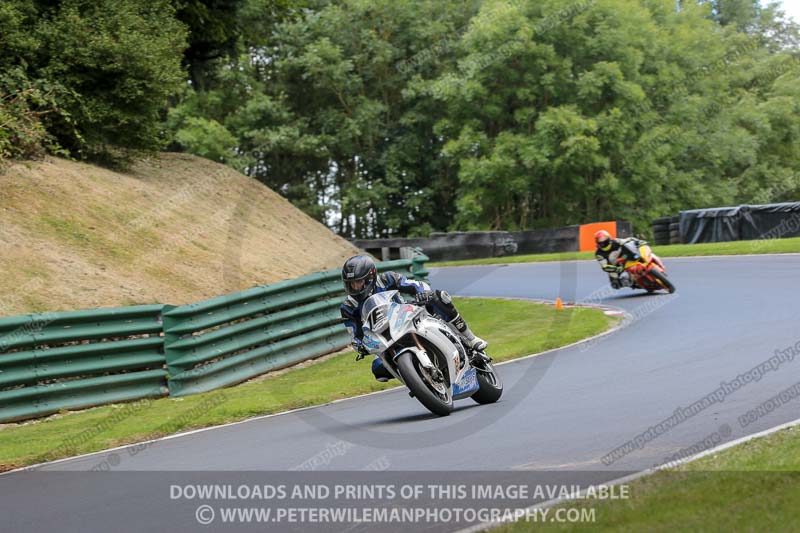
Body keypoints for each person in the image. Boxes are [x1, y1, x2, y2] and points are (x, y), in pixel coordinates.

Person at [339, 255, 487, 382]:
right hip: (384, 337)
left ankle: (471, 338)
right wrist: (360, 345)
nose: (355, 287)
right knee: (378, 369)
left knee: (438, 297)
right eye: (351, 284)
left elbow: (414, 285)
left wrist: (422, 293)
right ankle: (417, 379)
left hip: (407, 316)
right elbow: (355, 334)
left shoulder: (387, 279)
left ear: (370, 277)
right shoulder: (348, 306)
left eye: (358, 282)